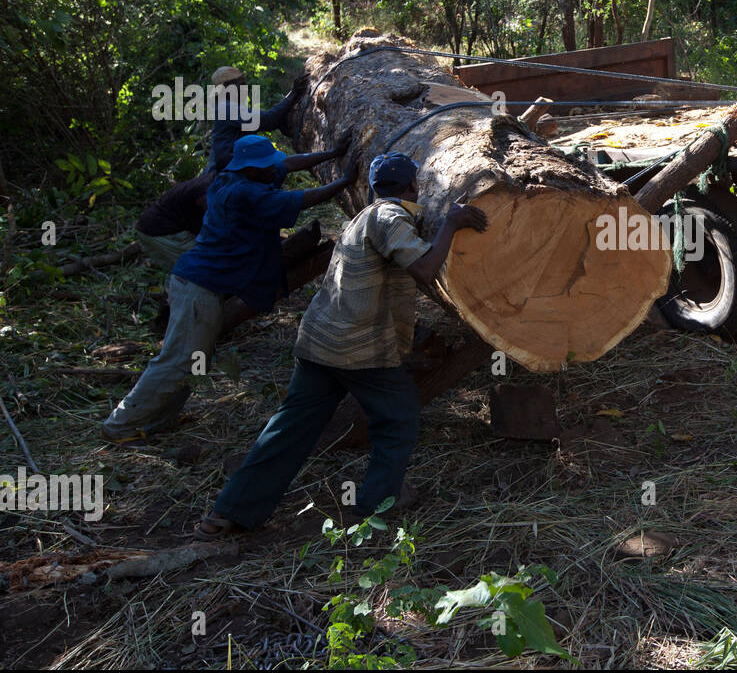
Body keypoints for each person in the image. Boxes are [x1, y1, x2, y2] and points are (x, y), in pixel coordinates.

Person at [194, 153, 489, 537]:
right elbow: (423, 268)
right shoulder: (388, 217)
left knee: (290, 428)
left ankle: (228, 512)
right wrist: (451, 223)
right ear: (413, 186)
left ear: (372, 186)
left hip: (320, 342)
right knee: (398, 417)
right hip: (358, 349)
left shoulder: (364, 218)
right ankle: (376, 503)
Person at [101, 135, 356, 443]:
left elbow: (286, 164)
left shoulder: (237, 175)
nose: (272, 170)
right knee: (178, 360)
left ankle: (156, 420)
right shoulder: (242, 192)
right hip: (198, 288)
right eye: (266, 167)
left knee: (195, 359)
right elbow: (303, 199)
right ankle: (120, 426)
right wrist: (345, 180)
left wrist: (333, 152)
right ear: (251, 169)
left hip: (197, 286)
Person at [205, 65, 309, 173]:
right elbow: (268, 120)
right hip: (223, 175)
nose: (245, 89)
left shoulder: (229, 106)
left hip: (229, 169)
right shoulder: (226, 108)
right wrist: (293, 94)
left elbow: (267, 121)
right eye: (241, 85)